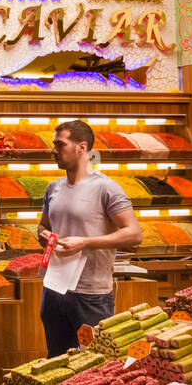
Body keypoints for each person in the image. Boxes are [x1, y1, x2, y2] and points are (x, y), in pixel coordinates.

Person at [39, 120, 142, 356]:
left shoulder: (107, 188)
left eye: (59, 144)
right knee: (55, 362)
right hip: (53, 289)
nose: (53, 150)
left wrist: (85, 243)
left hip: (91, 295)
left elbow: (134, 234)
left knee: (96, 365)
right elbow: (42, 226)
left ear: (82, 147)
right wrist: (44, 236)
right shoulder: (53, 188)